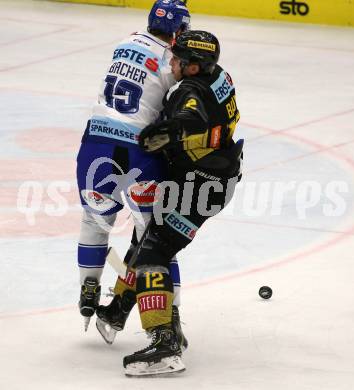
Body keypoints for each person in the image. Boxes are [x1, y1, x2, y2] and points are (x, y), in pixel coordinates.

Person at [121, 30, 243, 376]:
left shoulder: (188, 90)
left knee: (152, 252)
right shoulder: (219, 75)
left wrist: (171, 131)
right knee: (150, 241)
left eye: (177, 59)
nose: (170, 63)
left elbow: (191, 115)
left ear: (192, 67)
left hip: (201, 184)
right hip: (215, 178)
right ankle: (133, 313)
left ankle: (164, 344)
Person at [76, 0, 191, 342]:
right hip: (139, 150)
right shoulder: (174, 61)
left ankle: (88, 289)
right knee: (157, 237)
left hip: (96, 140)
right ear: (179, 30)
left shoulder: (125, 42)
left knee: (94, 222)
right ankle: (170, 315)